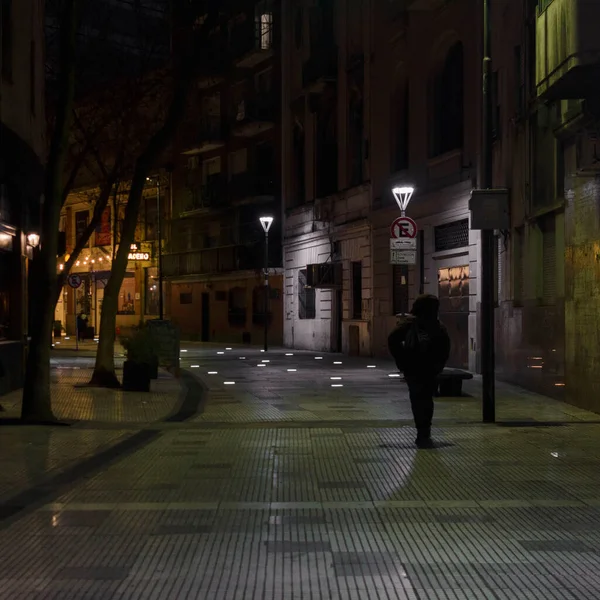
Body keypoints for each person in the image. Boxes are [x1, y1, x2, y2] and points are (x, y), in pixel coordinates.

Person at [388, 294, 450, 449]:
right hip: (426, 369)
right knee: (426, 399)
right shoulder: (434, 325)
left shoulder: (412, 324)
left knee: (418, 399)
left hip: (416, 368)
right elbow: (445, 346)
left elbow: (392, 340)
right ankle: (424, 432)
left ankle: (422, 432)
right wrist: (438, 365)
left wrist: (402, 361)